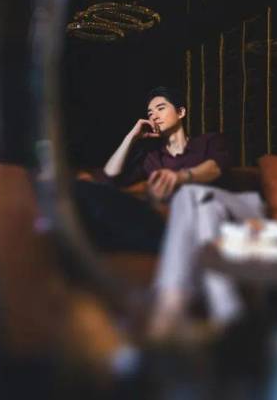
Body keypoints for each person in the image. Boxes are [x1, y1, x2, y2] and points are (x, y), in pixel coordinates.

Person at [102, 86, 265, 330]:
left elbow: (215, 168)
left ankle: (169, 305)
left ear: (181, 112)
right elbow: (110, 176)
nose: (154, 116)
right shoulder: (152, 158)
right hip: (208, 223)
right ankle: (227, 312)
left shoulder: (209, 141)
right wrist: (132, 136)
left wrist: (180, 177)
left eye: (160, 108)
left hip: (239, 213)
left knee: (189, 193)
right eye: (150, 113)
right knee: (202, 208)